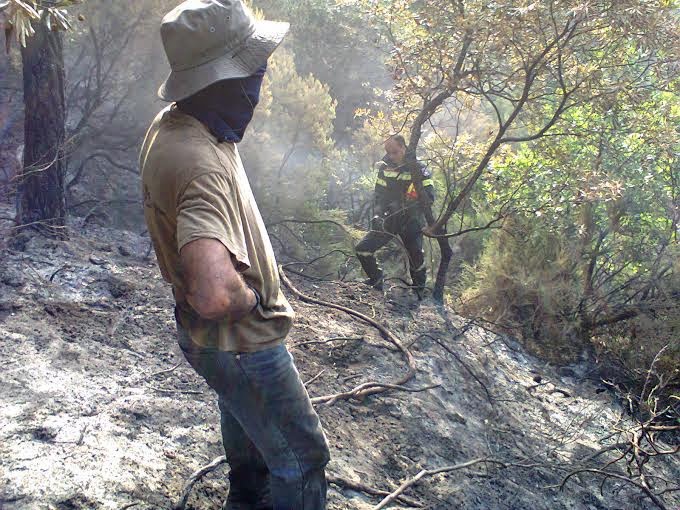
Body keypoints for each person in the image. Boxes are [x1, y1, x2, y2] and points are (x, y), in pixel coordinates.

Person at [139, 1, 330, 509]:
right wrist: (253, 300)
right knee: (302, 458)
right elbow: (214, 292)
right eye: (254, 67)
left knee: (252, 440)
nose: (261, 79)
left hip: (219, 345)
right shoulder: (201, 163)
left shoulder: (180, 123)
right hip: (244, 342)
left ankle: (247, 501)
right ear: (218, 80)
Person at [355, 135, 435, 291]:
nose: (391, 156)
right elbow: (379, 195)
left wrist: (408, 206)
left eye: (395, 152)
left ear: (404, 148)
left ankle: (418, 292)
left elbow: (429, 197)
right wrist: (377, 214)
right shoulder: (384, 168)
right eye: (388, 152)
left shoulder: (419, 169)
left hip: (411, 220)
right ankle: (376, 280)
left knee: (416, 257)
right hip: (389, 219)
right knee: (362, 249)